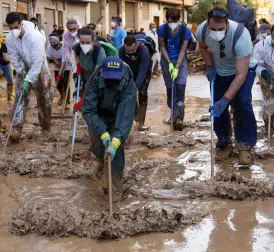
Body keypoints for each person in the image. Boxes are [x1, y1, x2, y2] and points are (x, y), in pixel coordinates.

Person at [195, 7, 257, 165]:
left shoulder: (241, 35)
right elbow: (203, 47)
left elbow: (240, 76)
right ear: (208, 24)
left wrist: (226, 99)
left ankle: (244, 145)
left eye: (220, 29)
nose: (216, 32)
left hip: (244, 69)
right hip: (220, 69)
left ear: (227, 24)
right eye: (213, 29)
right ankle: (224, 142)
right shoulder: (202, 30)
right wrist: (209, 65)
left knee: (242, 104)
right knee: (217, 108)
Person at [82, 56, 137, 200]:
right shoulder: (94, 79)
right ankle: (102, 162)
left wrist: (117, 139)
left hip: (118, 112)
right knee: (98, 147)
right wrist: (102, 133)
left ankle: (116, 185)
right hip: (98, 114)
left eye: (115, 78)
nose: (112, 81)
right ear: (102, 73)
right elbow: (88, 110)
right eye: (109, 78)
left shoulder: (126, 77)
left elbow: (126, 113)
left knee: (116, 148)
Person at [5, 12, 51, 142]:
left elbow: (37, 61)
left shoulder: (35, 37)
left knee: (44, 99)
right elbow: (13, 56)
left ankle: (45, 127)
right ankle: (16, 129)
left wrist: (29, 79)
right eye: (11, 28)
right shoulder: (10, 39)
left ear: (21, 24)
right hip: (24, 68)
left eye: (16, 27)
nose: (13, 31)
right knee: (20, 97)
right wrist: (21, 69)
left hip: (40, 68)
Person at [158, 8, 191, 130]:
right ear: (167, 20)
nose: (172, 24)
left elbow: (183, 49)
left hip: (180, 61)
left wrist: (176, 66)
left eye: (174, 21)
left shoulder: (185, 30)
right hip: (166, 60)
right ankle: (173, 113)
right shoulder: (163, 29)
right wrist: (169, 64)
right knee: (170, 88)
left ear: (178, 20)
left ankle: (179, 118)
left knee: (180, 86)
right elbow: (162, 46)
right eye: (170, 21)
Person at [119, 35, 152, 131]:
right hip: (128, 71)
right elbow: (121, 69)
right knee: (127, 93)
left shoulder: (144, 51)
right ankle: (136, 114)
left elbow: (142, 72)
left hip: (144, 72)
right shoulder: (121, 51)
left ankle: (141, 123)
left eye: (132, 51)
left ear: (136, 45)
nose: (129, 53)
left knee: (142, 94)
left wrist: (135, 87)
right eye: (127, 51)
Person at [72, 27, 106, 110]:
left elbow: (98, 74)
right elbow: (76, 54)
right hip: (85, 77)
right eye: (82, 42)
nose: (84, 45)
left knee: (94, 105)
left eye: (87, 42)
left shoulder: (99, 52)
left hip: (97, 81)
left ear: (93, 41)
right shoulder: (78, 47)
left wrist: (84, 98)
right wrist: (78, 66)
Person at [254, 25, 274, 134]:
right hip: (266, 76)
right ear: (270, 33)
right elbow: (256, 63)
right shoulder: (261, 45)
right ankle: (268, 125)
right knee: (269, 102)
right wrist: (263, 72)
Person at [46, 32, 70, 106]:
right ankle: (62, 95)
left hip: (66, 65)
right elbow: (48, 57)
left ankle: (67, 99)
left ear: (58, 41)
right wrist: (55, 61)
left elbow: (65, 60)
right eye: (51, 42)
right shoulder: (49, 48)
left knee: (65, 82)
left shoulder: (65, 47)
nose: (53, 44)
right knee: (58, 82)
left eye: (54, 42)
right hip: (57, 65)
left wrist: (61, 68)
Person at [57, 19, 79, 95]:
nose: (72, 31)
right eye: (70, 29)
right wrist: (70, 59)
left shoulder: (81, 33)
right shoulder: (66, 35)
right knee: (72, 80)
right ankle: (73, 98)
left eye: (74, 29)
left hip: (81, 59)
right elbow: (66, 49)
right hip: (71, 59)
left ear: (77, 27)